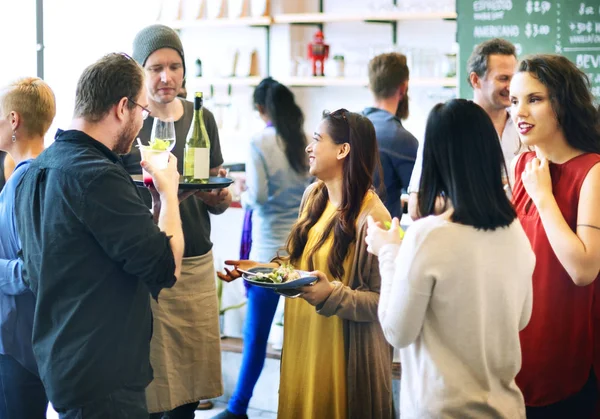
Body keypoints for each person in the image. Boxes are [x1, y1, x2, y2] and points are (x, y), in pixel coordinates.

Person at [14, 53, 185, 419]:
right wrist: (170, 192)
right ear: (122, 107)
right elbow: (164, 266)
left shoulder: (36, 170)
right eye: (142, 109)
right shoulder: (97, 176)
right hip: (104, 378)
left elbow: (122, 254)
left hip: (64, 362)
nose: (142, 120)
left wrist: (155, 202)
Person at [365, 98, 535, 418]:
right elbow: (521, 318)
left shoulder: (428, 235)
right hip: (506, 407)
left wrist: (388, 251)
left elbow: (397, 331)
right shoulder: (515, 232)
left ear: (435, 158)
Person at [219, 109, 394, 419]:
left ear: (343, 150)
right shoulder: (314, 196)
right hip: (303, 340)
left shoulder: (373, 217)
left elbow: (383, 304)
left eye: (317, 139)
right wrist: (260, 270)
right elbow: (299, 266)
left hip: (339, 358)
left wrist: (330, 295)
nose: (308, 148)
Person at [125, 24, 232, 418]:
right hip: (148, 266)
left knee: (188, 389)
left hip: (195, 263)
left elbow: (220, 199)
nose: (166, 77)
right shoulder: (128, 122)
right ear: (139, 71)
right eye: (155, 68)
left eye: (174, 66)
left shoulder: (201, 118)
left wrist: (210, 192)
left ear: (185, 70)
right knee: (152, 387)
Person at [213, 77, 310, 419]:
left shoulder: (259, 141)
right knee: (300, 338)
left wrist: (239, 190)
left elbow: (259, 196)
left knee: (256, 337)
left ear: (260, 108)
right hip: (300, 248)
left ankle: (238, 408)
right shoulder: (302, 140)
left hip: (266, 251)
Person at [509, 54, 600, 418]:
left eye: (535, 99)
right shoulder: (522, 165)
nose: (520, 112)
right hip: (519, 345)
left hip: (568, 353)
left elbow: (583, 269)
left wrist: (544, 197)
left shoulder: (591, 171)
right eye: (515, 101)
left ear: (562, 102)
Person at [408, 38, 519, 220]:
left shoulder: (524, 127)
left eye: (514, 78)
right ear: (476, 80)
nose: (511, 86)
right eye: (503, 78)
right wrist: (474, 199)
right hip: (465, 240)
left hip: (515, 239)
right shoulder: (448, 127)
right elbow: (417, 208)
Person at [0, 77, 55, 418]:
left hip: (18, 345)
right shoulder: (38, 173)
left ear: (14, 120)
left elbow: (34, 268)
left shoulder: (26, 179)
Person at [363, 52, 418, 219]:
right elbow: (424, 199)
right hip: (378, 238)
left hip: (338, 236)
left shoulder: (345, 126)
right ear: (403, 88)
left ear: (370, 86)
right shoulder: (401, 139)